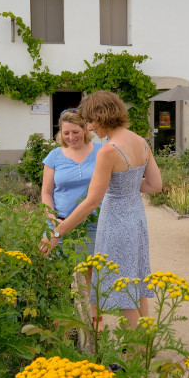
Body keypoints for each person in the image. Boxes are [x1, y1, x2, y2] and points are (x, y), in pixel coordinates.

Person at [40, 91, 162, 328]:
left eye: (90, 121)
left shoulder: (108, 150)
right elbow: (155, 185)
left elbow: (91, 202)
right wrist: (125, 186)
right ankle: (146, 347)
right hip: (137, 220)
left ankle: (135, 357)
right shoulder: (140, 141)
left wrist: (56, 233)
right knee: (135, 284)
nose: (90, 127)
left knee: (123, 289)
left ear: (102, 115)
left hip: (116, 223)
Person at [40, 109, 101, 286]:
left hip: (93, 223)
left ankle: (94, 314)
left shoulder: (101, 151)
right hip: (59, 221)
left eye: (76, 132)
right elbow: (46, 192)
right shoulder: (54, 156)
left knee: (92, 274)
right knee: (53, 273)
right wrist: (52, 219)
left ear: (85, 130)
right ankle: (61, 313)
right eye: (66, 133)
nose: (71, 137)